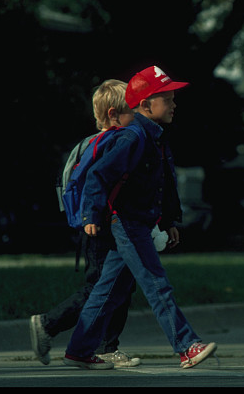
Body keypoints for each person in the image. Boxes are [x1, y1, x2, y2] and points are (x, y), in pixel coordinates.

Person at [62, 66, 217, 370]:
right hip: (127, 223)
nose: (174, 105)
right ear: (146, 105)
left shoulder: (155, 136)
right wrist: (90, 213)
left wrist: (170, 220)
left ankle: (79, 349)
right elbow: (98, 175)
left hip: (139, 223)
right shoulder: (132, 137)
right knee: (156, 283)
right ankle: (186, 345)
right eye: (167, 100)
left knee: (109, 289)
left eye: (173, 99)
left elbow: (166, 182)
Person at [30, 79, 140, 367]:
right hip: (101, 227)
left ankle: (106, 346)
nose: (137, 116)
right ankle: (48, 324)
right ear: (114, 114)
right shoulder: (111, 144)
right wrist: (92, 216)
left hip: (102, 225)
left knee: (120, 286)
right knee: (99, 287)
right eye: (132, 111)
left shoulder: (90, 143)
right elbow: (97, 183)